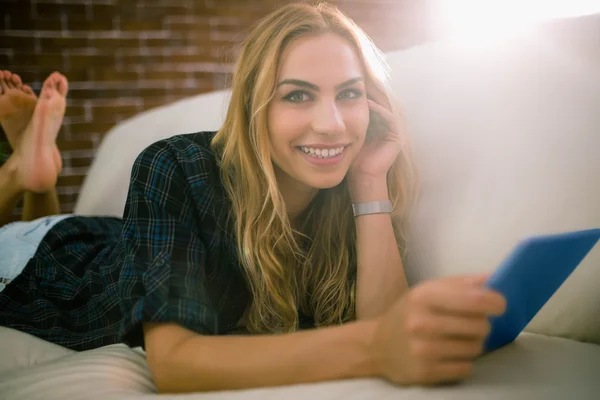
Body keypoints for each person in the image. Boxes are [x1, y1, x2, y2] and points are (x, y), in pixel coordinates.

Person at [0, 2, 506, 394]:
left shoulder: (348, 182)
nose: (331, 124)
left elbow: (384, 318)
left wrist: (370, 182)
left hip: (126, 238)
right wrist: (374, 347)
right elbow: (173, 363)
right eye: (297, 95)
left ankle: (38, 179)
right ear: (252, 108)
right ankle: (23, 177)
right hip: (55, 264)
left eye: (349, 93)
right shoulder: (173, 164)